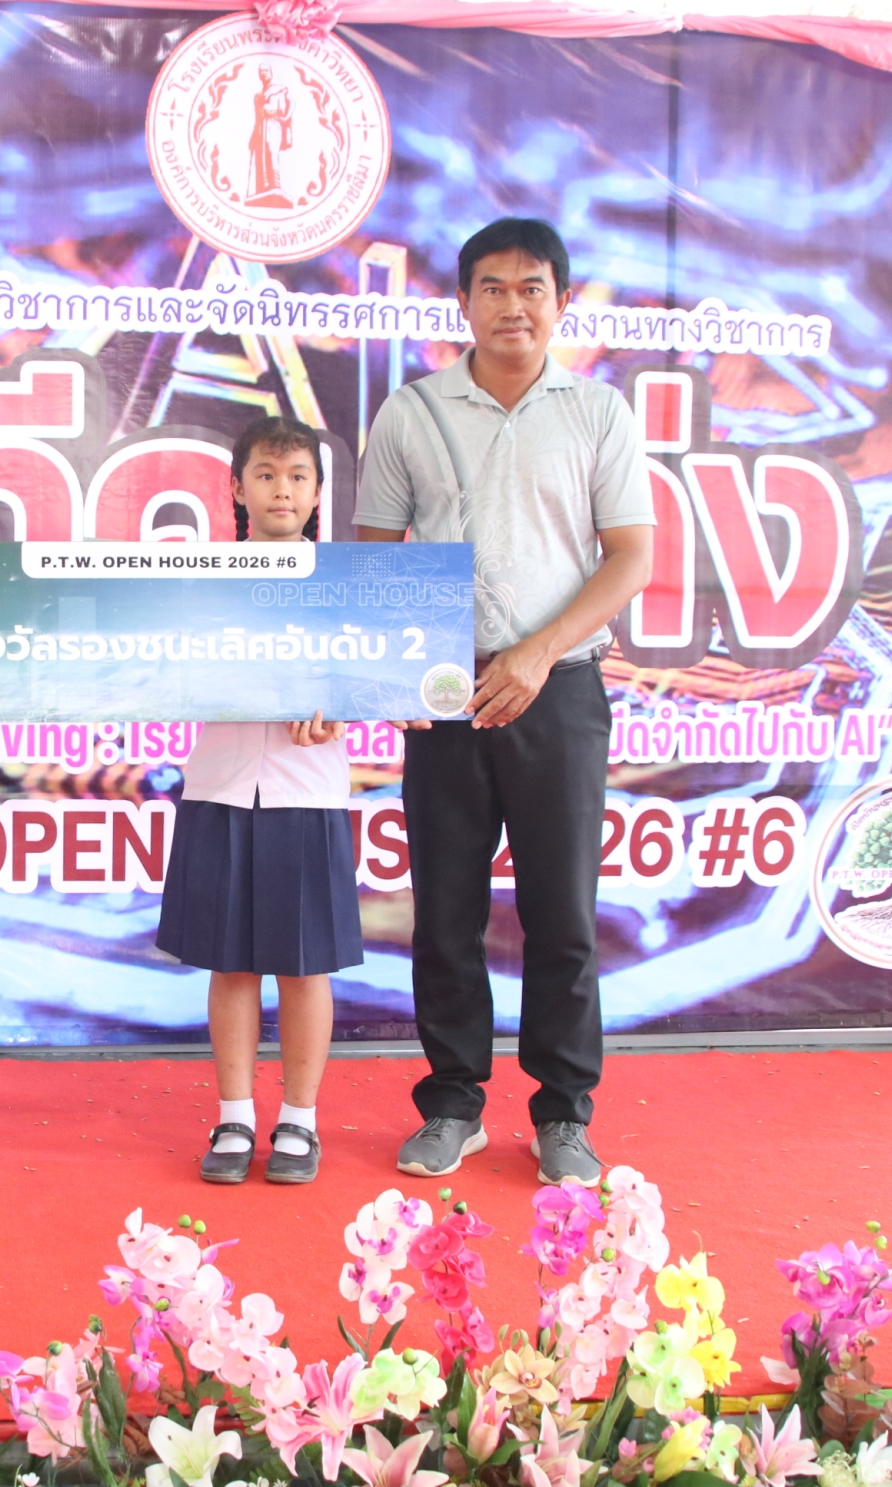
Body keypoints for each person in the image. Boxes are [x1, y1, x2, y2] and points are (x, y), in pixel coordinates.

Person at [353, 218, 655, 1187]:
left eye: (531, 288)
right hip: (444, 690)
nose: (512, 305)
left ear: (560, 302)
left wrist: (536, 652)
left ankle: (563, 1112)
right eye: (492, 287)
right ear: (462, 302)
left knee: (562, 913)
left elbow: (630, 555)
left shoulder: (597, 411)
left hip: (558, 689)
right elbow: (372, 557)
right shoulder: (410, 410)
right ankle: (451, 1104)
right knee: (444, 911)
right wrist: (395, 671)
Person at [155, 416, 359, 1186]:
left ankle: (300, 1120)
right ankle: (234, 1114)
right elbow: (162, 667)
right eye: (266, 475)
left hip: (309, 790)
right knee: (232, 963)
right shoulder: (199, 581)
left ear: (317, 491)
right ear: (237, 488)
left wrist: (342, 706)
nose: (283, 489)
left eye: (298, 476)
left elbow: (376, 672)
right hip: (221, 784)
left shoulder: (345, 587)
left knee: (306, 967)